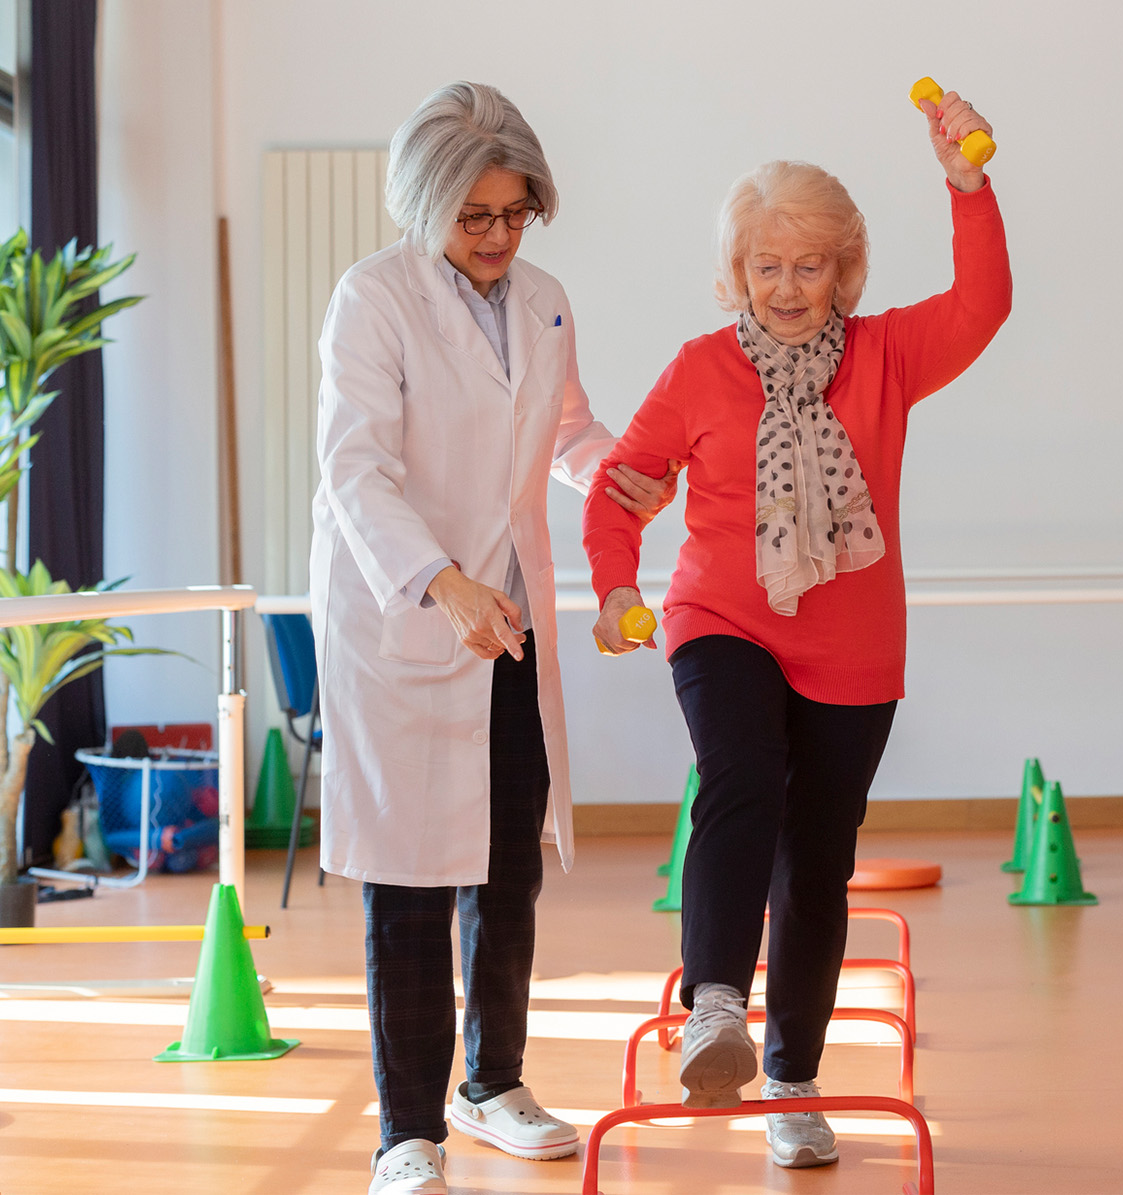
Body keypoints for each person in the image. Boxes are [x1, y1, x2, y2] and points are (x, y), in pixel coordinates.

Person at [582, 88, 1010, 1168]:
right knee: (737, 774)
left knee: (818, 858)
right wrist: (614, 583)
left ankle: (793, 1082)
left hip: (854, 641)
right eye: (765, 267)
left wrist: (967, 183)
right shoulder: (698, 370)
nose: (785, 288)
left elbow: (984, 304)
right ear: (736, 272)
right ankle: (718, 1005)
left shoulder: (887, 357)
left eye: (809, 266)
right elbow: (621, 488)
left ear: (845, 273)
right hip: (721, 613)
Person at [311, 81, 676, 1195]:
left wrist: (639, 474)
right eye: (476, 216)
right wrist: (441, 581)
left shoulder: (546, 300)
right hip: (407, 616)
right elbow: (354, 467)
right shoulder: (371, 300)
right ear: (426, 208)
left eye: (516, 213)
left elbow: (567, 433)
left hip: (507, 617)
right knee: (409, 879)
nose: (498, 236)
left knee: (508, 863)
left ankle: (493, 1082)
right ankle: (407, 1133)